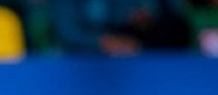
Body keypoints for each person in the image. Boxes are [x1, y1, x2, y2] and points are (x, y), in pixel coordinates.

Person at [49, 0, 191, 55]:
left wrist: (143, 16)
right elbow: (68, 32)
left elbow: (143, 13)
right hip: (80, 57)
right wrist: (102, 42)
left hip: (132, 52)